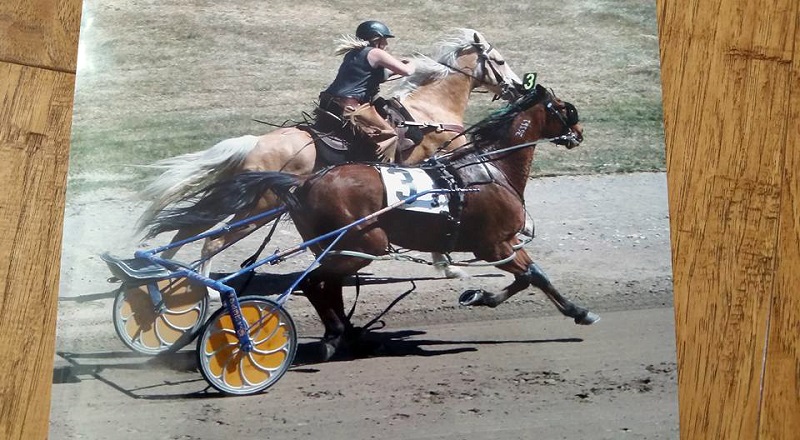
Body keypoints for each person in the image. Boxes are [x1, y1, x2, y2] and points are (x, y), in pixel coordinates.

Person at [318, 20, 415, 162]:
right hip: (349, 107)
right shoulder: (376, 53)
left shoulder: (353, 53)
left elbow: (371, 75)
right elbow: (407, 71)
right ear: (376, 39)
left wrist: (393, 72)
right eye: (384, 40)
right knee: (389, 134)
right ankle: (382, 167)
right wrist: (414, 63)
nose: (386, 44)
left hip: (329, 102)